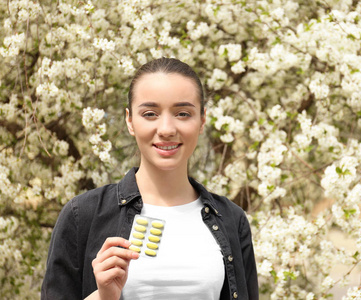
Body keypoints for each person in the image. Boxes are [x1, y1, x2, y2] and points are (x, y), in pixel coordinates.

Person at [41, 57, 259, 300]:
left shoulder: (231, 219)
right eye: (150, 113)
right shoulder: (82, 215)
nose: (166, 129)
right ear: (130, 120)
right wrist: (103, 296)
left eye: (183, 113)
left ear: (202, 120)